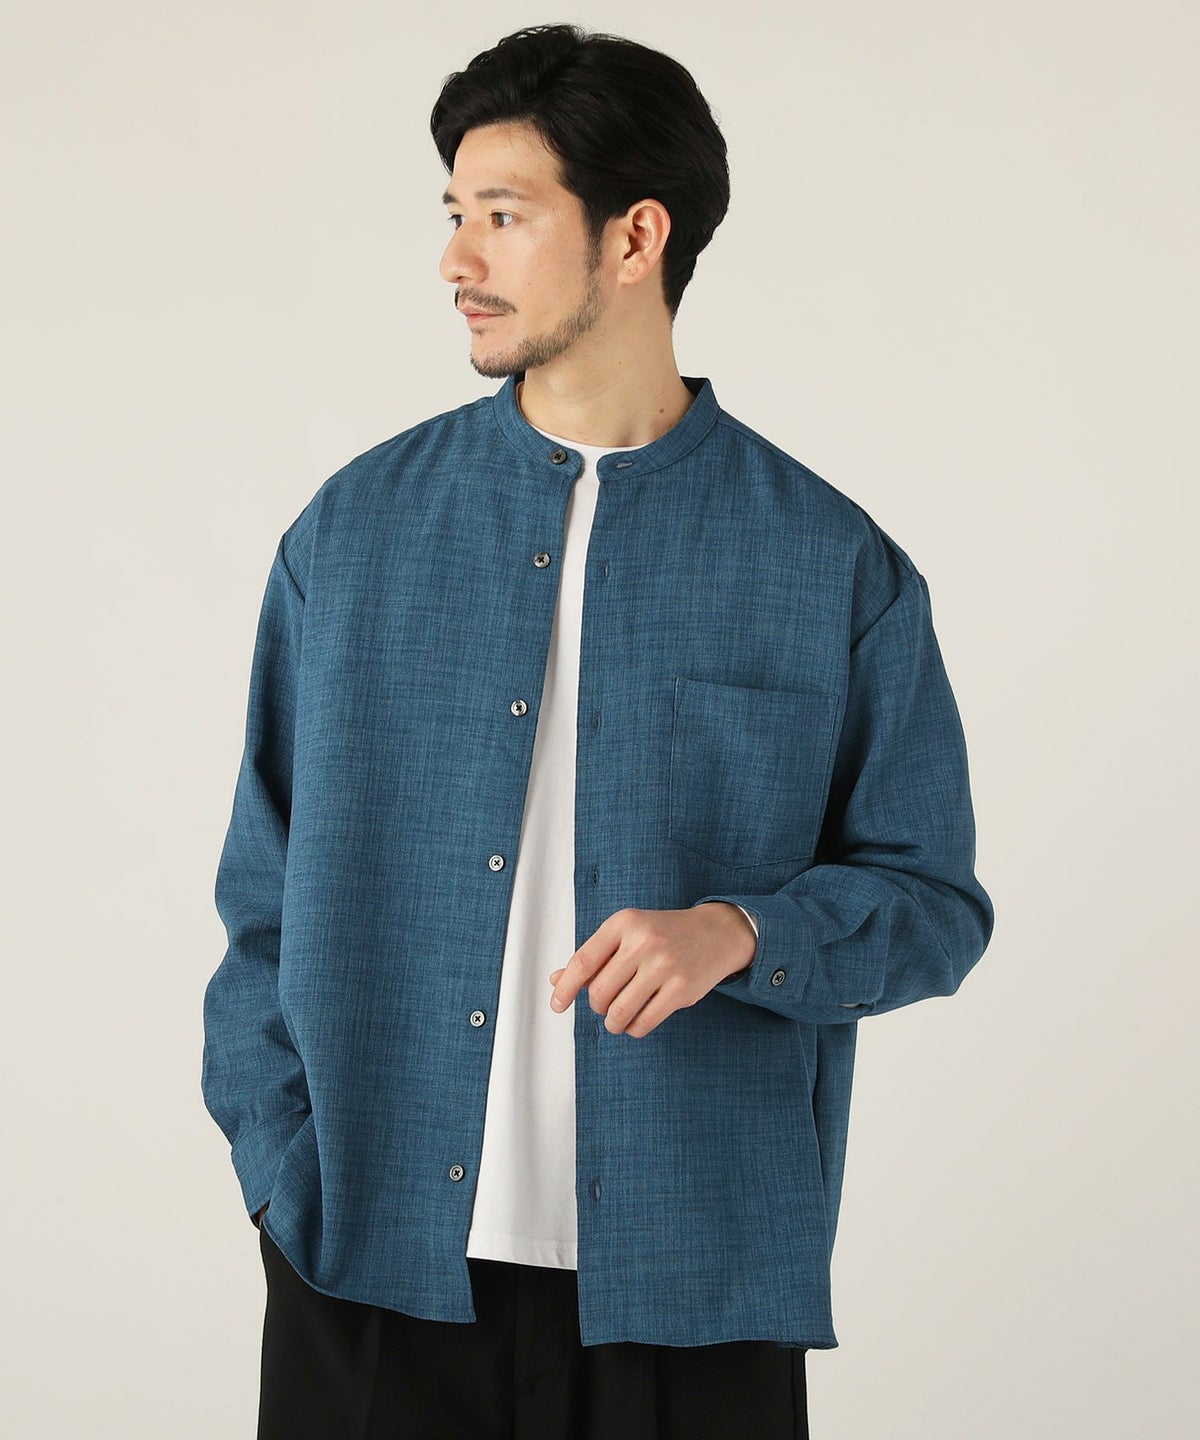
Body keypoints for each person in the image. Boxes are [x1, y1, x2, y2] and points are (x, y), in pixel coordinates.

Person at [201, 22, 995, 1440]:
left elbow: (934, 904)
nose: (457, 259)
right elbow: (262, 892)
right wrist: (280, 1164)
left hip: (694, 1282)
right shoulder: (355, 534)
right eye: (454, 213)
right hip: (369, 1260)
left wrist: (742, 932)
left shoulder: (830, 563)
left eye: (503, 217)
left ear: (636, 237)